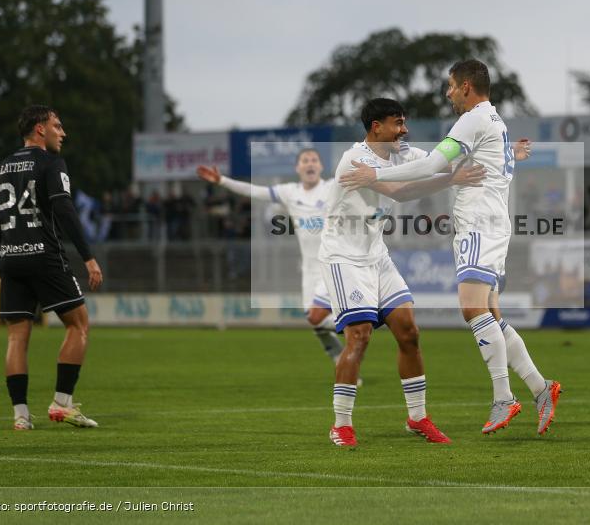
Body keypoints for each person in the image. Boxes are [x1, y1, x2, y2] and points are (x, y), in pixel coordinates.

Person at [340, 60, 562, 437]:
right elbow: (469, 161)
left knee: (472, 308)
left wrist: (375, 173)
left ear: (466, 87)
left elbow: (431, 166)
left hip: (479, 225)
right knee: (491, 314)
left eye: (451, 86)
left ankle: (504, 397)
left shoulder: (472, 120)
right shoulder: (493, 121)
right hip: (491, 225)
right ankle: (542, 388)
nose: (448, 93)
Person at [321, 97, 485, 447]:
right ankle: (341, 425)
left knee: (409, 331)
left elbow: (437, 161)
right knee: (359, 336)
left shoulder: (401, 152)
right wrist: (451, 179)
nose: (404, 130)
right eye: (397, 123)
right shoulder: (355, 159)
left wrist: (496, 151)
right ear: (376, 127)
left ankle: (417, 418)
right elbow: (399, 191)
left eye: (404, 122)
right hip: (344, 258)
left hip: (376, 255)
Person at [0, 105, 103, 430]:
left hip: (11, 260)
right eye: (57, 126)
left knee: (16, 338)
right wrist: (88, 257)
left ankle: (21, 416)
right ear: (40, 129)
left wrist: (1, 266)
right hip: (44, 257)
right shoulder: (51, 162)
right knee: (79, 325)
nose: (63, 133)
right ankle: (62, 403)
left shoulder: (1, 167)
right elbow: (64, 209)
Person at [197, 149, 347, 369]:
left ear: (321, 167)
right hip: (309, 269)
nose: (310, 163)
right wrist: (222, 181)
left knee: (317, 317)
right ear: (297, 168)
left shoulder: (331, 187)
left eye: (314, 160)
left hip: (335, 264)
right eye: (305, 160)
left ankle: (354, 334)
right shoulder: (289, 192)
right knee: (315, 322)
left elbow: (361, 186)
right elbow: (255, 191)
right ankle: (342, 354)